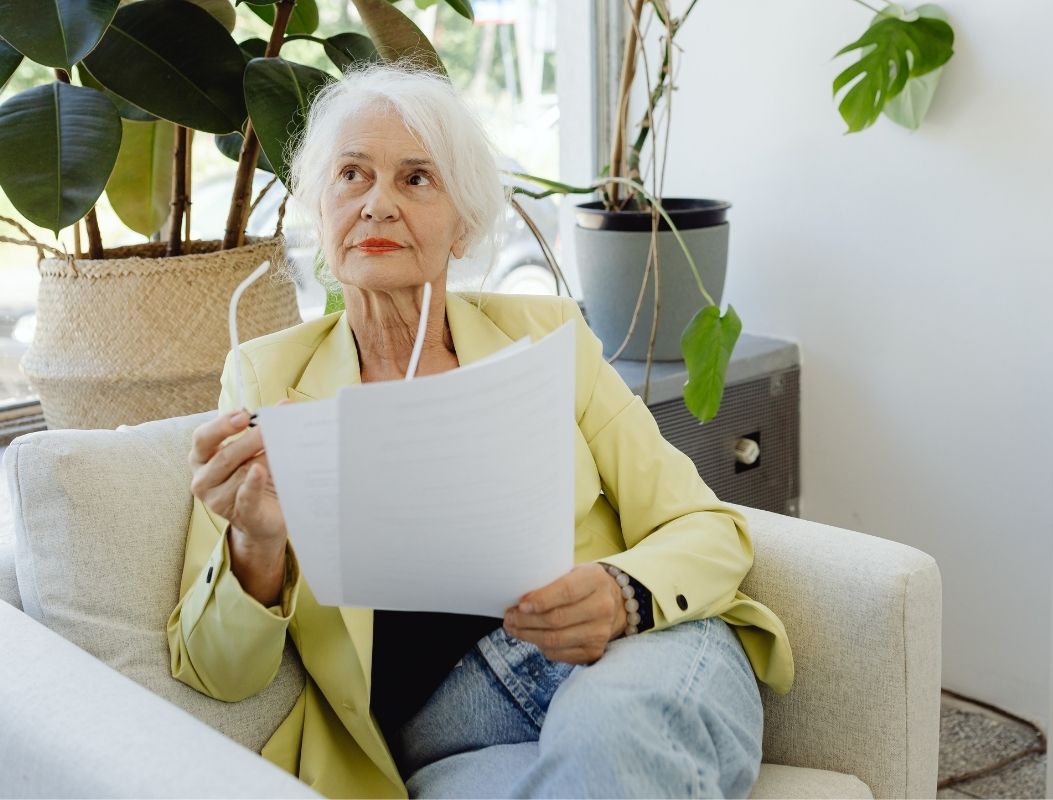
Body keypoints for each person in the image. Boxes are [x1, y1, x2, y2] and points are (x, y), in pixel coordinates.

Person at [167, 62, 793, 799]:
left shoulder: (548, 336)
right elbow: (217, 671)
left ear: (462, 225)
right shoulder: (264, 379)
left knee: (610, 735)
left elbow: (706, 527)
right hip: (454, 732)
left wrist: (625, 591)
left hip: (631, 658)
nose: (376, 205)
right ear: (320, 211)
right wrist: (256, 544)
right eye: (352, 176)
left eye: (416, 179)